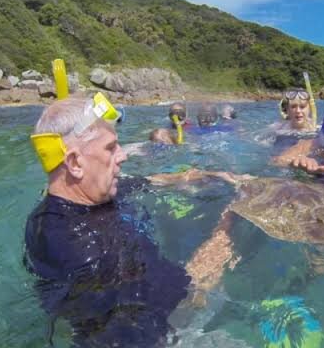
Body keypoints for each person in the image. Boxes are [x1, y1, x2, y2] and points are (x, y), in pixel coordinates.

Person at [24, 95, 241, 346]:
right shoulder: (85, 251)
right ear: (74, 162)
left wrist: (207, 175)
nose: (123, 156)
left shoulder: (90, 197)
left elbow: (151, 181)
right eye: (110, 148)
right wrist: (228, 225)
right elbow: (187, 299)